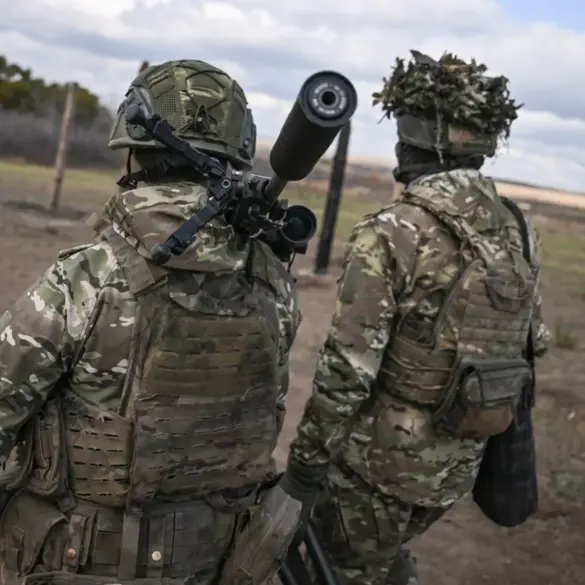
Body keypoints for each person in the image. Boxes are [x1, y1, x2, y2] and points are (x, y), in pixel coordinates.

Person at [223, 49, 551, 585]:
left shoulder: (395, 230)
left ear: (414, 141)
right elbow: (533, 342)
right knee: (381, 558)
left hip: (379, 471)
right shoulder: (518, 227)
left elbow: (347, 371)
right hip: (457, 468)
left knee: (334, 568)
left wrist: (303, 472)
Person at [0, 59, 301, 585]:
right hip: (215, 559)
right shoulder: (275, 283)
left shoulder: (88, 277)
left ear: (135, 151)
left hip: (85, 561)